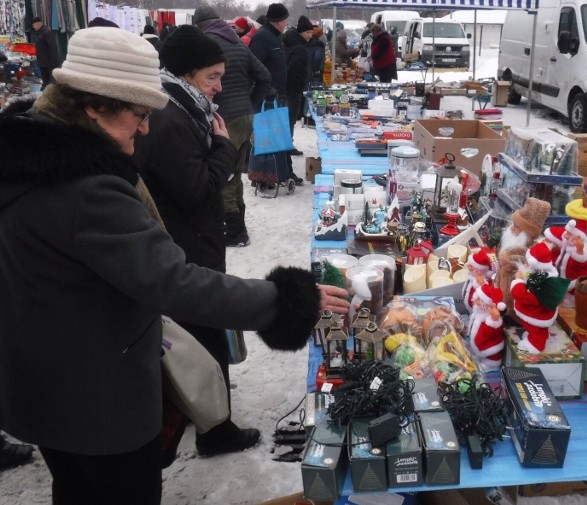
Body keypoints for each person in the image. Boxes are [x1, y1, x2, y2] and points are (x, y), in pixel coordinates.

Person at [0, 26, 348, 504]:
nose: (145, 129)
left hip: (44, 389)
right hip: (98, 401)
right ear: (92, 108)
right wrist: (284, 298)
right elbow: (175, 282)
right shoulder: (88, 189)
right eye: (138, 115)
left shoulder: (26, 160)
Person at [135, 24, 263, 455]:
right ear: (187, 74)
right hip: (187, 244)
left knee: (199, 333)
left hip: (191, 240)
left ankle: (202, 413)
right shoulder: (172, 118)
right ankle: (216, 429)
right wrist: (224, 147)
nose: (219, 87)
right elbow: (197, 189)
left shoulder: (183, 106)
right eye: (213, 76)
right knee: (202, 335)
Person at [192, 5, 271, 247]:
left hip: (223, 118)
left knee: (224, 175)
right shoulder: (237, 42)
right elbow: (265, 77)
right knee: (234, 172)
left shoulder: (205, 45)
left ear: (201, 25)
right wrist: (251, 104)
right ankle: (239, 226)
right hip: (245, 117)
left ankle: (235, 231)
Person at [250, 3, 304, 181]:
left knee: (280, 136)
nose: (287, 22)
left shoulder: (275, 37)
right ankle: (266, 175)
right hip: (268, 98)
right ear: (279, 21)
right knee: (269, 138)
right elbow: (254, 67)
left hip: (278, 94)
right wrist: (266, 89)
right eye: (286, 18)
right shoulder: (262, 37)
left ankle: (282, 172)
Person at [282, 15, 314, 157]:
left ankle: (286, 144)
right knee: (290, 118)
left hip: (287, 89)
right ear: (301, 32)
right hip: (293, 90)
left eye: (311, 33)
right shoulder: (299, 48)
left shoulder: (289, 42)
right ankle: (287, 145)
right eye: (308, 32)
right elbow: (292, 70)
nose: (310, 36)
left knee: (287, 118)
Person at [30, 17, 60, 89]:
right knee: (46, 81)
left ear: (38, 24)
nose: (33, 27)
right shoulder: (39, 33)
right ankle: (46, 91)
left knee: (52, 82)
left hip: (49, 63)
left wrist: (53, 63)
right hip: (43, 62)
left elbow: (52, 47)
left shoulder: (47, 32)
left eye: (33, 25)